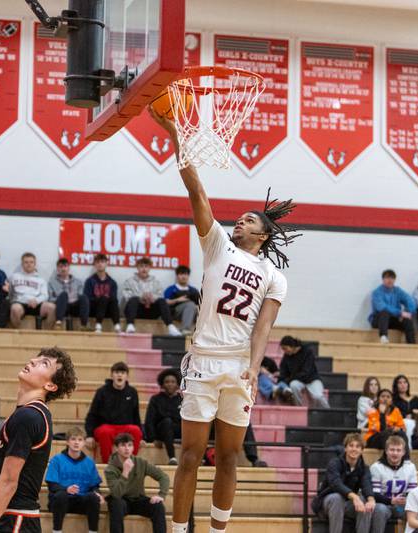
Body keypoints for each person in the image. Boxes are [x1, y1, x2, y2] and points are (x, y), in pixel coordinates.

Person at [150, 106, 298, 533]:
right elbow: (195, 189)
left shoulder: (274, 276)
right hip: (203, 361)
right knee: (191, 454)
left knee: (230, 456)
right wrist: (178, 136)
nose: (240, 220)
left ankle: (218, 530)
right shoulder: (217, 244)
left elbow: (265, 326)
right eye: (241, 217)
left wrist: (254, 367)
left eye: (249, 219)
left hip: (238, 365)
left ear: (263, 235)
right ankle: (179, 531)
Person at [0, 348, 77, 533]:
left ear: (50, 386)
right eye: (37, 358)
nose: (33, 361)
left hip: (15, 520)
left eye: (44, 363)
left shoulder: (28, 416)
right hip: (14, 517)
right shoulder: (29, 414)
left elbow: (8, 481)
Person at [311, 433, 390, 533]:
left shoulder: (364, 468)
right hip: (327, 503)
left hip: (347, 504)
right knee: (337, 498)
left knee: (365, 501)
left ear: (362, 450)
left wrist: (371, 500)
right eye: (351, 445)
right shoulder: (335, 463)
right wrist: (355, 497)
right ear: (345, 448)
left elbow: (367, 485)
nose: (354, 449)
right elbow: (336, 484)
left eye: (358, 446)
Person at [105, 433, 169, 533]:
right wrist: (125, 472)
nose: (127, 449)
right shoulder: (110, 468)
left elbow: (163, 477)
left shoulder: (140, 462)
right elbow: (117, 493)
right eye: (123, 445)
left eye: (129, 445)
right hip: (121, 500)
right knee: (116, 504)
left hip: (138, 499)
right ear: (116, 448)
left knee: (158, 506)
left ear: (133, 447)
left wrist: (162, 495)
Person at [45, 427, 104, 533]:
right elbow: (52, 485)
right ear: (67, 441)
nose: (76, 442)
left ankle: (93, 531)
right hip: (62, 502)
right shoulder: (57, 460)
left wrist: (97, 493)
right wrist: (66, 489)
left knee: (93, 497)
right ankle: (57, 531)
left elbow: (94, 486)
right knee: (60, 495)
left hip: (81, 502)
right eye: (73, 439)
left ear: (84, 443)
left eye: (80, 440)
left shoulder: (89, 462)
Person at [84, 362, 143, 463]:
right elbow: (92, 414)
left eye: (122, 372)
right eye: (117, 372)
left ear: (127, 376)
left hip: (125, 428)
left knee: (136, 431)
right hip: (106, 427)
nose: (119, 375)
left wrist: (143, 437)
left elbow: (136, 415)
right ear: (112, 375)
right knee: (104, 432)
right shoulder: (102, 391)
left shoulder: (132, 392)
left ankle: (130, 462)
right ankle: (108, 463)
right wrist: (89, 435)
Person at [122, 257, 181, 336]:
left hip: (151, 310)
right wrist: (141, 297)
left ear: (149, 268)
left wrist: (152, 298)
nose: (144, 269)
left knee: (162, 301)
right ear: (137, 268)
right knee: (134, 299)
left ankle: (171, 327)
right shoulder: (129, 281)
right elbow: (126, 296)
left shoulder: (156, 282)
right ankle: (130, 325)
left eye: (146, 266)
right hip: (136, 311)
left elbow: (160, 295)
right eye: (141, 266)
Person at [370, 436, 418, 521]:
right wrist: (391, 501)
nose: (395, 453)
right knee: (380, 510)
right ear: (386, 451)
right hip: (384, 505)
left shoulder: (410, 467)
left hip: (402, 506)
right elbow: (375, 495)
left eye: (398, 450)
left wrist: (406, 499)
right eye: (392, 450)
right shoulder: (376, 467)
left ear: (403, 452)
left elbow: (412, 492)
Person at [274, 336, 328, 408]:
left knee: (318, 396)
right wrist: (280, 381)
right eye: (283, 349)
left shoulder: (307, 352)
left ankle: (328, 411)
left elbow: (306, 372)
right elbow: (283, 371)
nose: (285, 351)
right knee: (293, 385)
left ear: (292, 346)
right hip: (298, 380)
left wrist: (289, 379)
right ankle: (299, 408)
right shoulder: (286, 356)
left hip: (312, 379)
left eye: (285, 348)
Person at [144, 368, 182, 465]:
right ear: (162, 384)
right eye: (167, 382)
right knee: (167, 422)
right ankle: (172, 457)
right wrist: (152, 438)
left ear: (177, 384)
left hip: (178, 430)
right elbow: (149, 420)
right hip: (162, 430)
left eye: (173, 382)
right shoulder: (155, 399)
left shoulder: (182, 400)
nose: (170, 384)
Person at [369, 270, 416, 344]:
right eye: (387, 278)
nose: (390, 280)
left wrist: (408, 312)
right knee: (384, 312)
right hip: (378, 321)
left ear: (394, 280)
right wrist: (400, 313)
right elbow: (382, 307)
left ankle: (412, 345)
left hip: (393, 320)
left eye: (392, 278)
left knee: (407, 320)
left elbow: (410, 300)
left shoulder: (397, 290)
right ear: (383, 279)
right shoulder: (377, 292)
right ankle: (383, 337)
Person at [9, 252, 55, 329]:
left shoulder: (41, 279)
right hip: (20, 303)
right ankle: (18, 333)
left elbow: (45, 295)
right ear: (22, 264)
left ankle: (47, 332)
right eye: (26, 262)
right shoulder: (14, 277)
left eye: (31, 262)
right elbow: (9, 293)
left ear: (35, 264)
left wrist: (36, 300)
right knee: (15, 308)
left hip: (36, 303)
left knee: (52, 307)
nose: (29, 264)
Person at [83, 254, 121, 334]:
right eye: (98, 262)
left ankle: (117, 325)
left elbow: (113, 298)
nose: (100, 264)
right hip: (94, 310)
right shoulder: (90, 281)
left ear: (106, 263)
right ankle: (98, 325)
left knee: (112, 300)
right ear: (95, 264)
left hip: (108, 311)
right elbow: (87, 298)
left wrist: (105, 299)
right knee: (103, 298)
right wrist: (100, 299)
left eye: (102, 262)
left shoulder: (112, 282)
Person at [48, 258, 89, 330]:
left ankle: (84, 325)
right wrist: (61, 298)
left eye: (65, 266)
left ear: (69, 268)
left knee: (84, 297)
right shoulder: (52, 282)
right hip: (61, 306)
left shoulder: (78, 282)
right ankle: (58, 323)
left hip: (75, 306)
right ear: (57, 269)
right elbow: (51, 298)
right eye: (60, 266)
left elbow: (80, 295)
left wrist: (72, 299)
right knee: (63, 295)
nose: (63, 269)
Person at [164, 265, 201, 335]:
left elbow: (200, 303)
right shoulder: (171, 289)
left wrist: (197, 307)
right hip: (176, 313)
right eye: (181, 274)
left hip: (193, 312)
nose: (184, 276)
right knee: (190, 305)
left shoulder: (194, 290)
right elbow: (165, 303)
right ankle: (185, 329)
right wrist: (177, 300)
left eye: (186, 274)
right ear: (177, 276)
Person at [393, 375, 418, 445]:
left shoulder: (416, 399)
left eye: (405, 382)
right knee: (407, 422)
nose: (403, 385)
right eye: (400, 383)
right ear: (396, 385)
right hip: (401, 423)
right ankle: (408, 445)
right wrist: (406, 415)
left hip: (415, 423)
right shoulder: (394, 400)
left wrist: (413, 415)